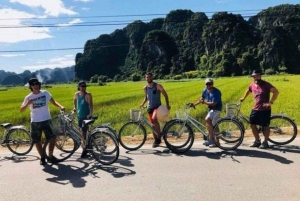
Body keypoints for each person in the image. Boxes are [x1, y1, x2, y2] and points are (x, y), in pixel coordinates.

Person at [20, 78, 65, 165]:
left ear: (39, 85)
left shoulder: (45, 93)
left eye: (37, 84)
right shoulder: (28, 97)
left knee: (52, 138)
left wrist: (60, 106)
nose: (36, 86)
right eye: (33, 85)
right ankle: (42, 157)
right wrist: (27, 103)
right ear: (31, 87)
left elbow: (53, 101)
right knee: (37, 141)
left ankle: (50, 156)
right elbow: (21, 110)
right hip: (35, 122)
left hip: (47, 120)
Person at [240, 69, 279, 149]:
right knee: (252, 124)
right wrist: (243, 97)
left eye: (257, 76)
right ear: (253, 77)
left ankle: (265, 142)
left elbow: (276, 92)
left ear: (260, 76)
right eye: (254, 76)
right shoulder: (252, 85)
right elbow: (248, 90)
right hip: (255, 108)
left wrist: (270, 102)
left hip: (265, 109)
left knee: (265, 126)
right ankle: (257, 141)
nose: (256, 77)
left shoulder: (266, 85)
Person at [140, 72, 171, 148]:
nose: (148, 78)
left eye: (150, 77)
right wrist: (143, 103)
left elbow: (165, 95)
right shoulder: (145, 88)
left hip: (157, 107)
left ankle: (159, 136)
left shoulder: (157, 86)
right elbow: (146, 97)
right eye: (147, 77)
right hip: (149, 108)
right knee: (152, 125)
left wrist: (167, 104)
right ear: (145, 78)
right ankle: (157, 140)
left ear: (152, 77)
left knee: (154, 119)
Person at [190, 78, 222, 148]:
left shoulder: (216, 92)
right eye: (207, 84)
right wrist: (194, 104)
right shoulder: (205, 90)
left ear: (212, 84)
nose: (208, 85)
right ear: (205, 85)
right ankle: (216, 142)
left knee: (208, 120)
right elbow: (202, 99)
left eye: (210, 84)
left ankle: (212, 140)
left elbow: (214, 103)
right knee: (212, 125)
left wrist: (204, 102)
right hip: (211, 109)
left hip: (216, 109)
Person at [73, 81, 93, 158]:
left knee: (83, 133)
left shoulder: (88, 95)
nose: (83, 88)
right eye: (81, 86)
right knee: (83, 132)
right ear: (79, 87)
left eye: (84, 86)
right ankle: (88, 146)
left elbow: (91, 104)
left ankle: (85, 150)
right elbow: (74, 100)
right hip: (79, 116)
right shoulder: (76, 94)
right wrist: (74, 107)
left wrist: (90, 114)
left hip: (86, 116)